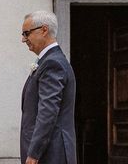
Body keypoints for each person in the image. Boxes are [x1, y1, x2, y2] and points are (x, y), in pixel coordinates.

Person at [20, 11, 77, 164]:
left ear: (44, 30)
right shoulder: (48, 61)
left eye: (27, 33)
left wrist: (34, 154)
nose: (23, 39)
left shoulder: (53, 63)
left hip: (51, 153)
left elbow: (47, 112)